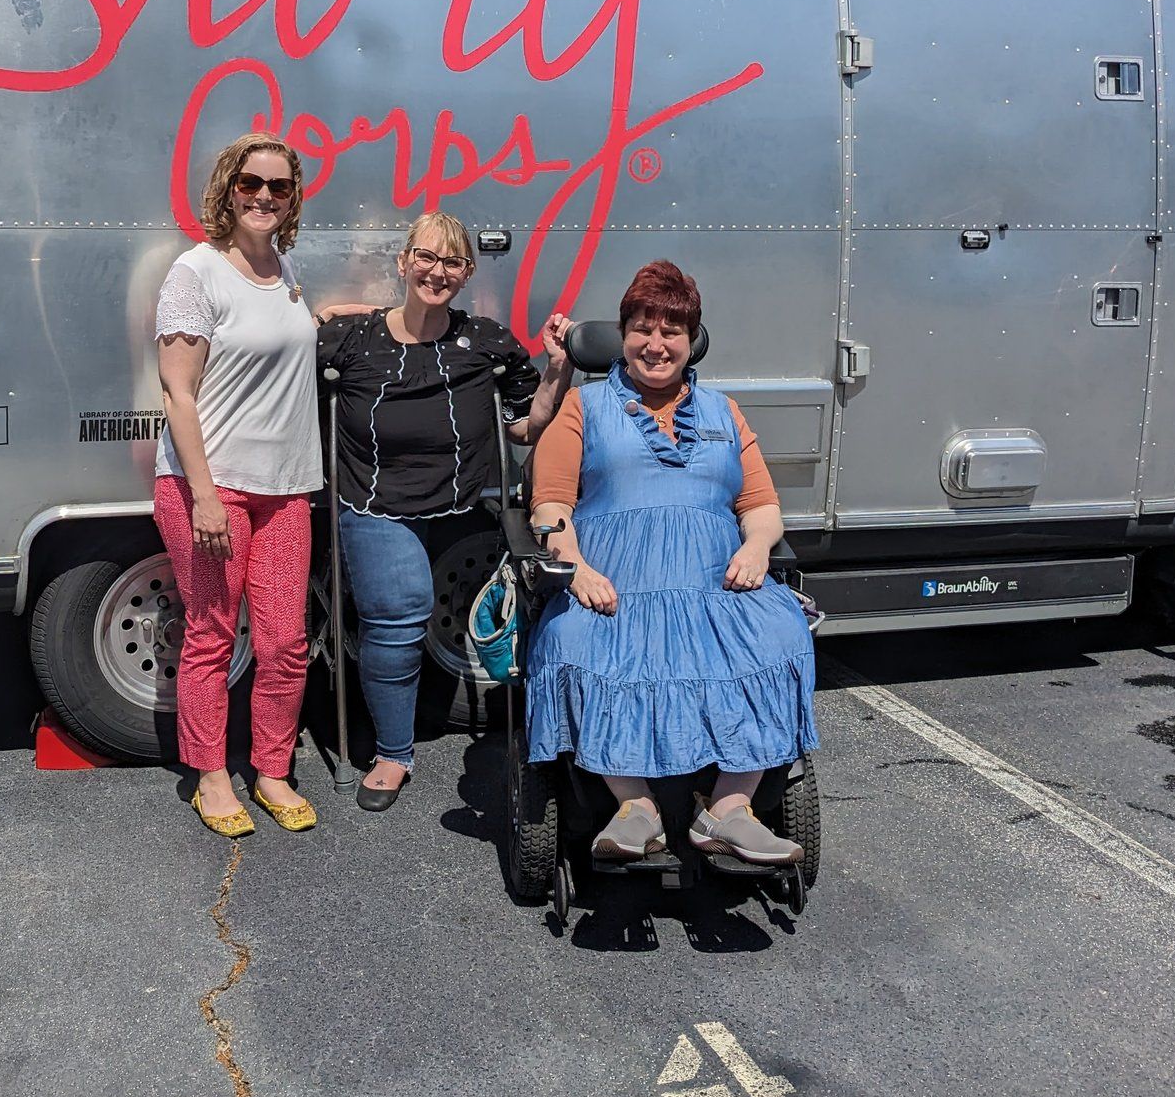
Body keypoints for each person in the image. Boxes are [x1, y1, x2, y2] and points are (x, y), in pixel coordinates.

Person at [523, 260, 818, 865]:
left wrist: (756, 546)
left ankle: (730, 809)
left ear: (692, 341)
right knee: (574, 640)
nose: (656, 345)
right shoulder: (584, 406)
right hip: (615, 583)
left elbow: (762, 506)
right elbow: (550, 504)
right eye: (642, 328)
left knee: (780, 632)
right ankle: (636, 807)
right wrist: (574, 566)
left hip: (714, 579)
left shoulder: (723, 412)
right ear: (622, 334)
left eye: (672, 331)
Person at [316, 212, 572, 811]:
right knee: (401, 615)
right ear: (403, 263)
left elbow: (523, 427)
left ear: (467, 273)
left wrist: (556, 369)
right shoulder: (350, 341)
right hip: (378, 503)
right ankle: (392, 753)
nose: (437, 270)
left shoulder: (485, 340)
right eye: (426, 257)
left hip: (463, 502)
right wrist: (330, 309)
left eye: (452, 261)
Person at [154, 133, 323, 838]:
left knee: (285, 642)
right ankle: (211, 775)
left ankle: (272, 769)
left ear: (292, 200)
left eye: (278, 188)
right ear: (227, 189)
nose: (263, 196)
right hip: (211, 489)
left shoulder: (284, 269)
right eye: (250, 183)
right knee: (212, 636)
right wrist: (203, 496)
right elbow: (177, 393)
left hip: (286, 490)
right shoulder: (195, 273)